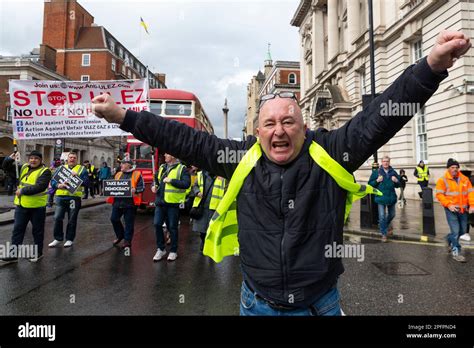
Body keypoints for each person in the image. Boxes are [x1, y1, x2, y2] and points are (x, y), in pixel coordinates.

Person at [92, 30, 470, 315]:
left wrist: (431, 66)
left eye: (288, 121)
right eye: (269, 123)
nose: (279, 130)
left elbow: (381, 117)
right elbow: (180, 138)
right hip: (256, 304)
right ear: (257, 132)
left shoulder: (333, 153)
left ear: (303, 127)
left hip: (319, 304)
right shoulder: (237, 157)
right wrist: (121, 116)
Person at [0, 151, 51, 263]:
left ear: (41, 160)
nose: (33, 160)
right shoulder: (23, 167)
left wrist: (22, 190)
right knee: (17, 230)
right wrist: (9, 159)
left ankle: (38, 253)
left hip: (37, 207)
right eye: (31, 158)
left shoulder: (45, 171)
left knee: (37, 231)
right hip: (21, 206)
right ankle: (13, 255)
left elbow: (40, 187)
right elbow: (6, 167)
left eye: (36, 158)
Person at [151, 154, 190, 262]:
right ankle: (161, 249)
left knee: (172, 227)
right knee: (157, 224)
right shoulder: (162, 167)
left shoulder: (182, 169)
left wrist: (171, 181)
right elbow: (157, 182)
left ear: (173, 155)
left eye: (167, 153)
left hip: (173, 203)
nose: (165, 155)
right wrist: (154, 187)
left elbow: (186, 184)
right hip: (160, 202)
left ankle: (173, 251)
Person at [435, 158, 474, 262]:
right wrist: (449, 205)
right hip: (451, 210)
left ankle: (449, 239)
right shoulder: (442, 180)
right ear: (448, 168)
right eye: (452, 167)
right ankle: (456, 252)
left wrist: (472, 205)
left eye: (456, 167)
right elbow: (439, 195)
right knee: (456, 231)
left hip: (463, 210)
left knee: (462, 231)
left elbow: (471, 193)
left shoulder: (465, 179)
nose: (455, 169)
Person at [48, 152, 89, 248]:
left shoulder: (82, 169)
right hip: (60, 197)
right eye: (70, 157)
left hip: (73, 198)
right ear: (67, 158)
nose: (72, 159)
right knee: (57, 217)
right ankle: (57, 238)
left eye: (74, 158)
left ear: (77, 159)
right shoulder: (61, 169)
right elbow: (53, 181)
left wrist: (77, 177)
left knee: (71, 219)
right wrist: (58, 185)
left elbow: (87, 182)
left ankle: (69, 239)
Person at [108, 159, 144, 249]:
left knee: (129, 223)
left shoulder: (137, 174)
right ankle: (120, 235)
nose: (121, 166)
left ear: (129, 165)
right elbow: (112, 185)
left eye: (123, 164)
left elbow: (142, 187)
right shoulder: (118, 174)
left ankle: (127, 241)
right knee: (114, 219)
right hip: (117, 201)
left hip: (130, 203)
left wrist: (135, 190)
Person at [191, 170, 226, 253]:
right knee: (201, 228)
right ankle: (203, 241)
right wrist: (197, 192)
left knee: (212, 228)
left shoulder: (222, 176)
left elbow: (226, 189)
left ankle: (210, 245)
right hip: (202, 206)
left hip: (215, 207)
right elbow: (195, 186)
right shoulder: (200, 174)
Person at [369, 156, 401, 242]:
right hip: (380, 197)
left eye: (387, 161)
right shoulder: (376, 172)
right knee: (382, 216)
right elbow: (370, 184)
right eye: (384, 161)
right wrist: (377, 181)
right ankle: (384, 234)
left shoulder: (393, 172)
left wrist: (396, 181)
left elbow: (399, 184)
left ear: (389, 162)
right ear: (381, 162)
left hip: (391, 197)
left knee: (392, 214)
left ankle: (383, 226)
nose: (385, 163)